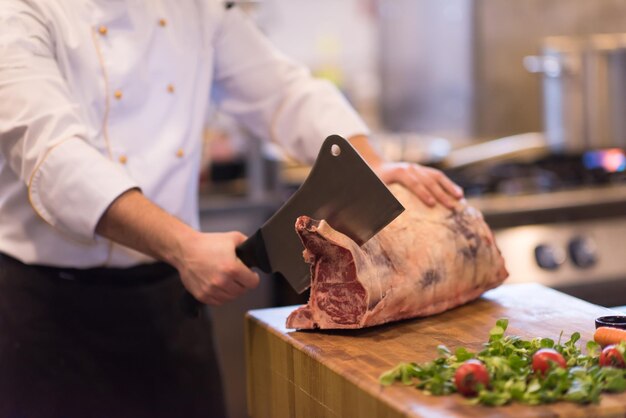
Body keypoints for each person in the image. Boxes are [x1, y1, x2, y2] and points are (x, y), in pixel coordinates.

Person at [0, 1, 463, 417]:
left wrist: (373, 167)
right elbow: (55, 158)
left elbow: (283, 93)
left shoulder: (196, 9)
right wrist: (182, 245)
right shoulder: (20, 11)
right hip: (47, 312)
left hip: (170, 302)